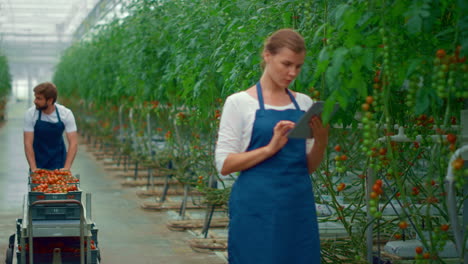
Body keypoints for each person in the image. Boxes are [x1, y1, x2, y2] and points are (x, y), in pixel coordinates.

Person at [215, 29, 329, 263]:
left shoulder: (304, 102)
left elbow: (307, 166)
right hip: (256, 207)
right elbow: (224, 165)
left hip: (297, 205)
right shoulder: (239, 103)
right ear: (267, 55)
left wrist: (321, 140)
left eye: (298, 66)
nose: (292, 73)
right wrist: (270, 148)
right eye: (286, 64)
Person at [23, 82, 78, 172]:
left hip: (59, 161)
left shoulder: (65, 114)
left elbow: (73, 143)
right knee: (39, 186)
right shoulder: (30, 114)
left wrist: (66, 168)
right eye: (35, 97)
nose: (35, 101)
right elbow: (28, 143)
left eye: (39, 98)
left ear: (50, 100)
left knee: (60, 186)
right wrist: (33, 168)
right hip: (38, 162)